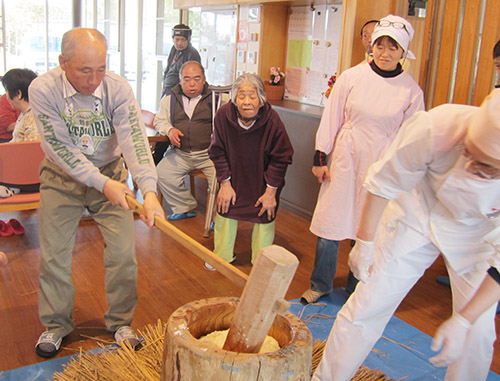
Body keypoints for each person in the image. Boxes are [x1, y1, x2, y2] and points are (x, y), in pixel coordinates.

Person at [312, 89, 500, 381]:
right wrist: (365, 243)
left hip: (476, 236)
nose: (470, 165)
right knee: (367, 305)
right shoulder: (437, 126)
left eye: (485, 167)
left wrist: (463, 320)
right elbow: (383, 182)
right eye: (469, 152)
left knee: (477, 334)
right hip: (418, 212)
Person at [29, 28, 164, 358]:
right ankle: (57, 324)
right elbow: (58, 147)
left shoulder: (117, 88)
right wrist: (101, 183)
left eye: (101, 68)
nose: (94, 79)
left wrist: (148, 190)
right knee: (54, 257)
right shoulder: (43, 89)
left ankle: (120, 321)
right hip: (62, 178)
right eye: (84, 70)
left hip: (110, 175)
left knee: (123, 254)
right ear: (63, 63)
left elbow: (133, 139)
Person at [300, 15, 424, 304]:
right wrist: (321, 157)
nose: (385, 53)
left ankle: (356, 289)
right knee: (331, 224)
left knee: (366, 228)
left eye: (393, 48)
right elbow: (332, 118)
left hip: (381, 163)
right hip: (346, 156)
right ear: (372, 47)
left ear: (403, 52)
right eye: (380, 46)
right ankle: (320, 284)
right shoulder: (351, 77)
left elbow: (412, 135)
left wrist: (401, 173)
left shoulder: (411, 90)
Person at [207, 73, 293, 269]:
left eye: (252, 96)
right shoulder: (223, 116)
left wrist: (271, 192)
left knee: (266, 211)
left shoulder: (272, 120)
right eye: (241, 96)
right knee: (224, 207)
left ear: (261, 99)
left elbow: (282, 157)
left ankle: (262, 262)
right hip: (233, 176)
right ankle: (222, 258)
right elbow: (217, 151)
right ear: (234, 99)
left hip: (263, 180)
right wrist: (225, 183)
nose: (247, 102)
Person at [155, 61, 216, 221]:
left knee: (221, 180)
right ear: (180, 81)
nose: (192, 84)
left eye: (197, 79)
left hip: (208, 155)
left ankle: (217, 219)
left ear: (204, 80)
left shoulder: (215, 98)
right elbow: (159, 121)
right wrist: (170, 130)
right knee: (162, 173)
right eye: (187, 79)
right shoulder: (170, 98)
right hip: (181, 154)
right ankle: (184, 206)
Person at [154, 24, 202, 165]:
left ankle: (158, 156)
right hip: (168, 89)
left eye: (182, 40)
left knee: (170, 122)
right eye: (176, 39)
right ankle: (157, 155)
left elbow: (191, 77)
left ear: (188, 40)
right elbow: (168, 67)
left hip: (178, 93)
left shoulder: (192, 53)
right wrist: (164, 83)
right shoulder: (174, 50)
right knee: (162, 120)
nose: (179, 43)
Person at [1, 68, 39, 142]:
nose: (6, 96)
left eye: (7, 91)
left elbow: (32, 149)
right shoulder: (26, 113)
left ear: (18, 94)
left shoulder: (34, 118)